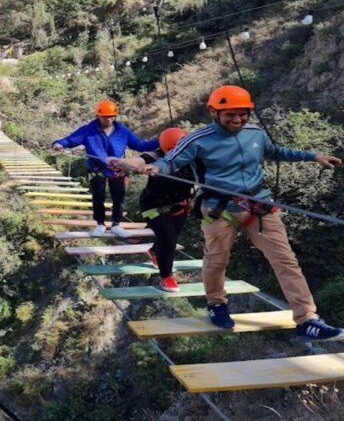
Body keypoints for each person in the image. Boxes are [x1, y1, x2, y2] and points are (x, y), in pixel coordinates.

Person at [132, 85, 343, 340]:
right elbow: (172, 159)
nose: (238, 120)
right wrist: (154, 167)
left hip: (259, 206)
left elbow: (276, 152)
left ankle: (307, 318)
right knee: (217, 260)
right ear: (213, 111)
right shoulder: (198, 139)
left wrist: (313, 156)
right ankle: (217, 304)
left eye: (243, 114)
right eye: (230, 115)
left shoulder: (255, 134)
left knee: (286, 261)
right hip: (219, 209)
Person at [52, 100, 159, 238]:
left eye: (111, 116)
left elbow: (139, 145)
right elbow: (70, 140)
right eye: (105, 116)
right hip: (97, 169)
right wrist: (59, 143)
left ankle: (116, 224)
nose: (109, 119)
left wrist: (160, 141)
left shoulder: (122, 131)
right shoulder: (88, 130)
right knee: (98, 197)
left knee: (118, 198)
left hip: (117, 170)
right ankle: (100, 224)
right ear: (98, 116)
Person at [109, 127, 193, 292]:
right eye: (171, 151)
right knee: (168, 239)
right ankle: (166, 277)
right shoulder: (157, 155)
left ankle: (154, 251)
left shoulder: (194, 156)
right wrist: (121, 162)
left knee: (172, 237)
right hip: (153, 206)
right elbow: (139, 160)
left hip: (180, 205)